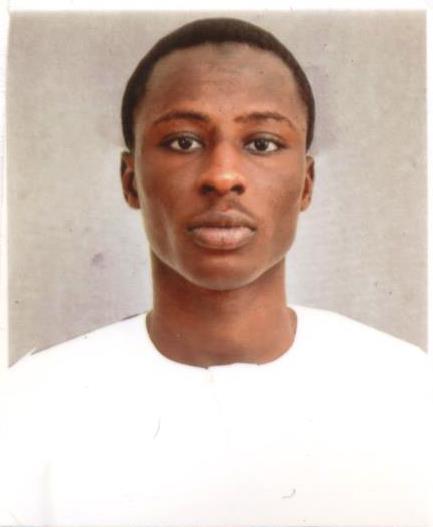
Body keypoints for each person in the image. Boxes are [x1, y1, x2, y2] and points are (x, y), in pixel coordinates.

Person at [0, 17, 431, 527]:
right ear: (131, 180)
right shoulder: (26, 410)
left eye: (262, 143)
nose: (223, 176)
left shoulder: (411, 394)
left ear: (306, 183)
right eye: (183, 141)